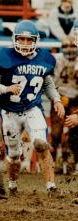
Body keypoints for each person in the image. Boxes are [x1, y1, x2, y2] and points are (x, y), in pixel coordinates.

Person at [0, 20, 65, 197]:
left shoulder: (45, 58)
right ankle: (12, 185)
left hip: (32, 109)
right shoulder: (3, 56)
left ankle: (51, 187)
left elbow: (47, 82)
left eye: (29, 40)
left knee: (41, 144)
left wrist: (56, 99)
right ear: (14, 39)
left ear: (36, 40)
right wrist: (5, 89)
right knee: (13, 155)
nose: (25, 44)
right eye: (22, 39)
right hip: (9, 112)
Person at [51, 36, 78, 173]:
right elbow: (49, 84)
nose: (69, 49)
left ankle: (72, 162)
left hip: (76, 100)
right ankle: (53, 162)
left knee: (74, 133)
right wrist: (58, 97)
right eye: (66, 46)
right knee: (56, 133)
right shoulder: (56, 61)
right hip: (59, 99)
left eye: (72, 46)